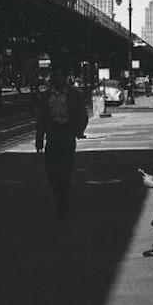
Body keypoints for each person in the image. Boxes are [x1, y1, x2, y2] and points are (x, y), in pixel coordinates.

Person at [35, 60, 88, 219]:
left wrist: (78, 131)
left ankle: (62, 206)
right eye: (55, 76)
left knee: (65, 173)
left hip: (67, 135)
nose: (58, 79)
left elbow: (83, 115)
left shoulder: (75, 94)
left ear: (65, 77)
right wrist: (39, 139)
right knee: (51, 173)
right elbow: (41, 119)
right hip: (52, 137)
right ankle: (60, 194)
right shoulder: (45, 96)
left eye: (60, 76)